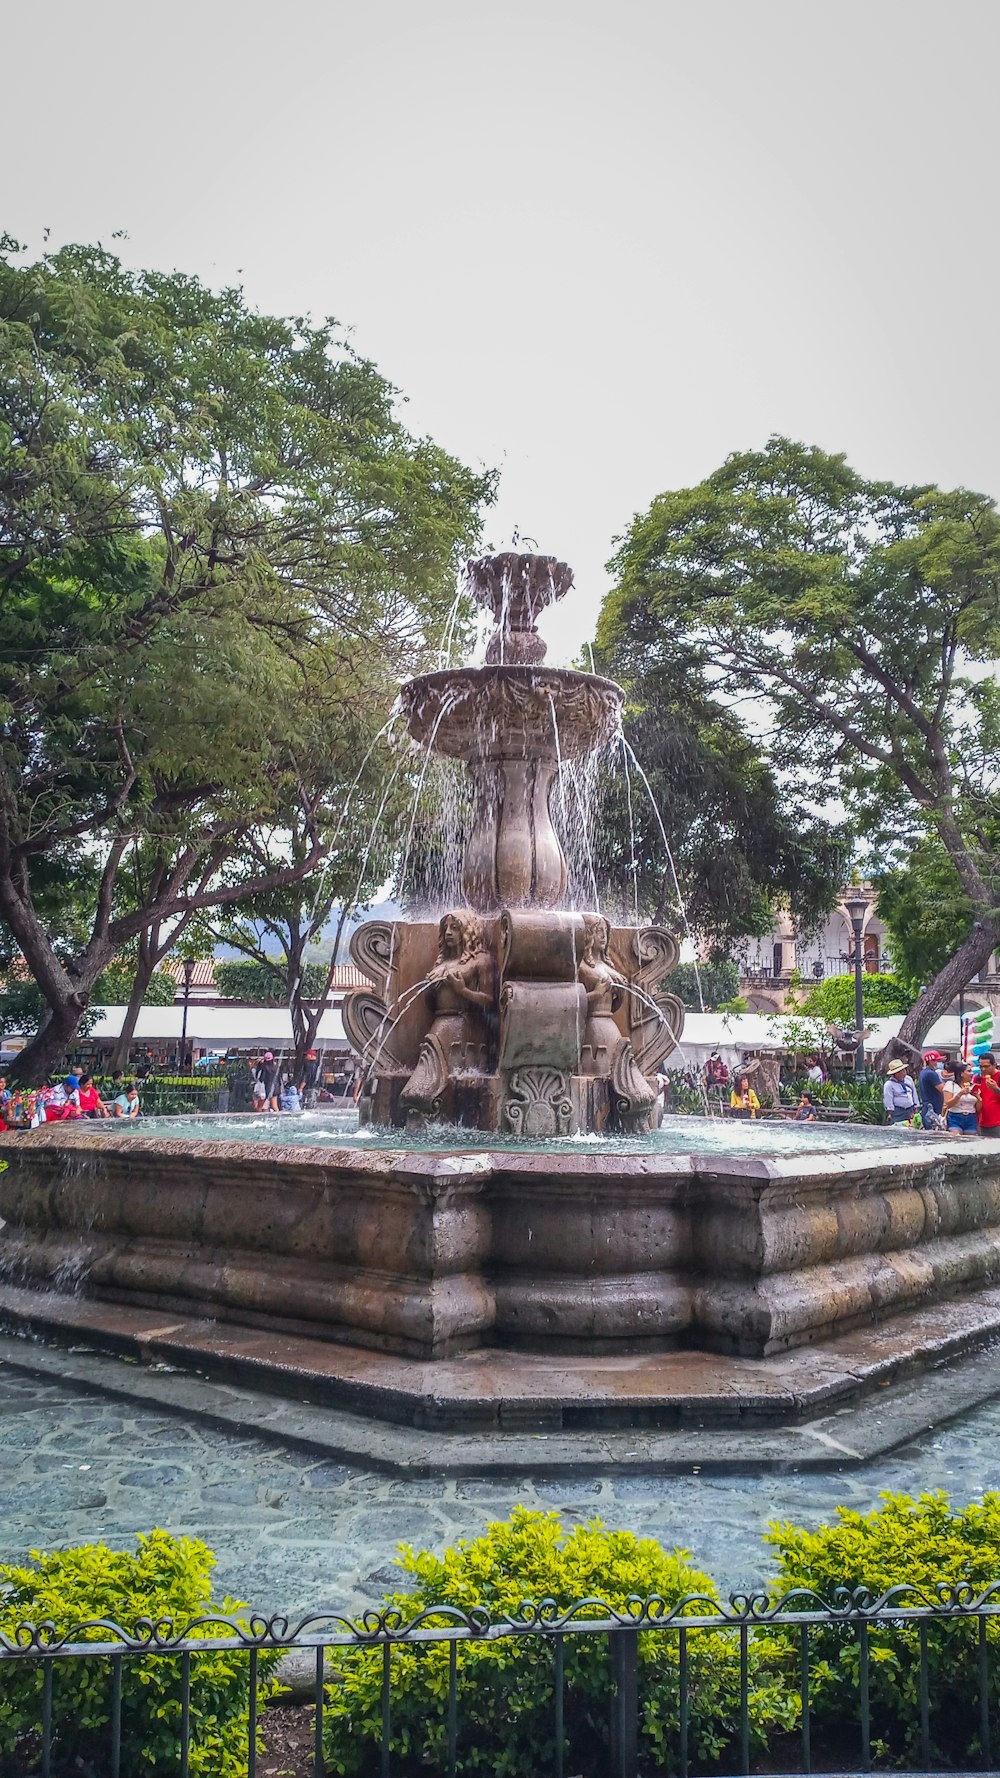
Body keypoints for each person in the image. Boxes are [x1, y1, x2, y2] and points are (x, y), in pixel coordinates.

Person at [945, 1065, 979, 1134]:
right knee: (956, 1140)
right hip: (955, 1117)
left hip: (971, 1117)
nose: (972, 1073)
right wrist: (960, 1094)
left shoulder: (974, 1087)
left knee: (971, 1142)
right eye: (969, 1071)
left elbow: (978, 1108)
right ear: (961, 1074)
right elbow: (947, 1104)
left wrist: (979, 1098)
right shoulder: (951, 1085)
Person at [883, 1058, 919, 1124]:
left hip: (910, 1110)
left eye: (904, 1070)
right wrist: (890, 1112)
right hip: (898, 1111)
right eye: (901, 1071)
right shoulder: (889, 1085)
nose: (904, 1072)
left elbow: (914, 1094)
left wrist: (916, 1107)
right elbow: (888, 1099)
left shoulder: (908, 1079)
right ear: (895, 1073)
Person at [917, 1051, 946, 1131]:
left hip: (927, 1108)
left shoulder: (923, 1073)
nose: (938, 1063)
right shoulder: (931, 1074)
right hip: (932, 1110)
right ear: (930, 1061)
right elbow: (942, 1089)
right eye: (937, 1061)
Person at [976, 1055, 1000, 1138]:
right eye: (981, 1066)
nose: (983, 1069)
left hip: (997, 1122)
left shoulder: (999, 1076)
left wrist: (996, 1089)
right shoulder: (978, 1078)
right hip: (982, 1122)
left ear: (994, 1065)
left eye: (986, 1066)